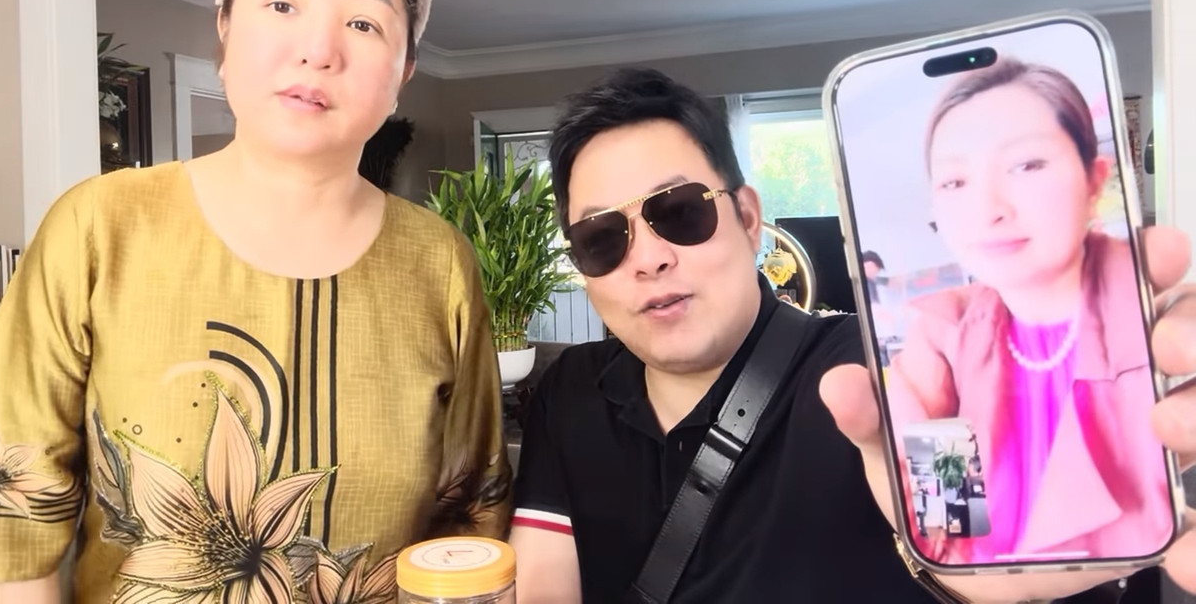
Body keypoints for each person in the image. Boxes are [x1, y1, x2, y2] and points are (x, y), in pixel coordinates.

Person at [0, 0, 511, 602]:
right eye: (282, 4)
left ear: (402, 72)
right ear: (225, 29)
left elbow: (470, 523)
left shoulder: (440, 262)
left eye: (364, 22)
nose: (318, 49)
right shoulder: (97, 229)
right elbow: (10, 533)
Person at [507, 66, 1196, 604]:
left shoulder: (883, 377)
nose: (648, 258)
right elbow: (544, 584)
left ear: (748, 219)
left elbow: (963, 525)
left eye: (680, 211)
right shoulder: (570, 391)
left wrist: (971, 567)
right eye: (602, 237)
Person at [886, 56, 1172, 566]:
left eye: (1026, 166)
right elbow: (950, 530)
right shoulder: (942, 335)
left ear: (1094, 181)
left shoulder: (1150, 324)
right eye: (955, 182)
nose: (989, 209)